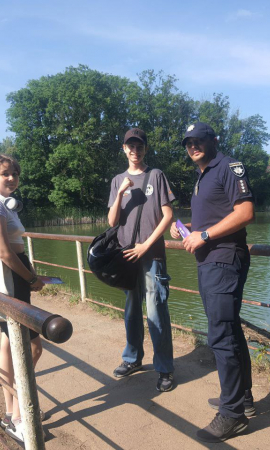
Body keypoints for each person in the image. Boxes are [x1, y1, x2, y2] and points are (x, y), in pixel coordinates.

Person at [170, 122, 255, 443]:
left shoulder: (229, 167)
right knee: (229, 330)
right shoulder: (203, 175)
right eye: (188, 142)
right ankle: (242, 397)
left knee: (220, 335)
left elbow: (245, 212)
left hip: (224, 260)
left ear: (213, 141)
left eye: (199, 140)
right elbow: (215, 218)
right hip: (209, 261)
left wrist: (204, 235)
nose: (193, 146)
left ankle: (232, 415)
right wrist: (189, 228)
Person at [0, 154, 45, 443]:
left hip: (14, 279)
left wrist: (29, 274)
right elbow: (4, 252)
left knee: (8, 343)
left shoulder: (4, 205)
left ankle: (10, 413)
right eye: (5, 173)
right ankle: (19, 417)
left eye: (15, 173)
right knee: (33, 348)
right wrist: (30, 278)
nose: (12, 178)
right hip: (10, 281)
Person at [107, 128, 175, 392]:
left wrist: (146, 245)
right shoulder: (117, 181)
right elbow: (112, 222)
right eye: (130, 146)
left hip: (151, 254)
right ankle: (132, 358)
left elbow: (168, 216)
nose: (135, 151)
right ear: (124, 149)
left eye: (139, 146)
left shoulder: (156, 175)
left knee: (156, 311)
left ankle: (165, 368)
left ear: (145, 149)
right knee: (132, 310)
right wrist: (121, 193)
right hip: (126, 255)